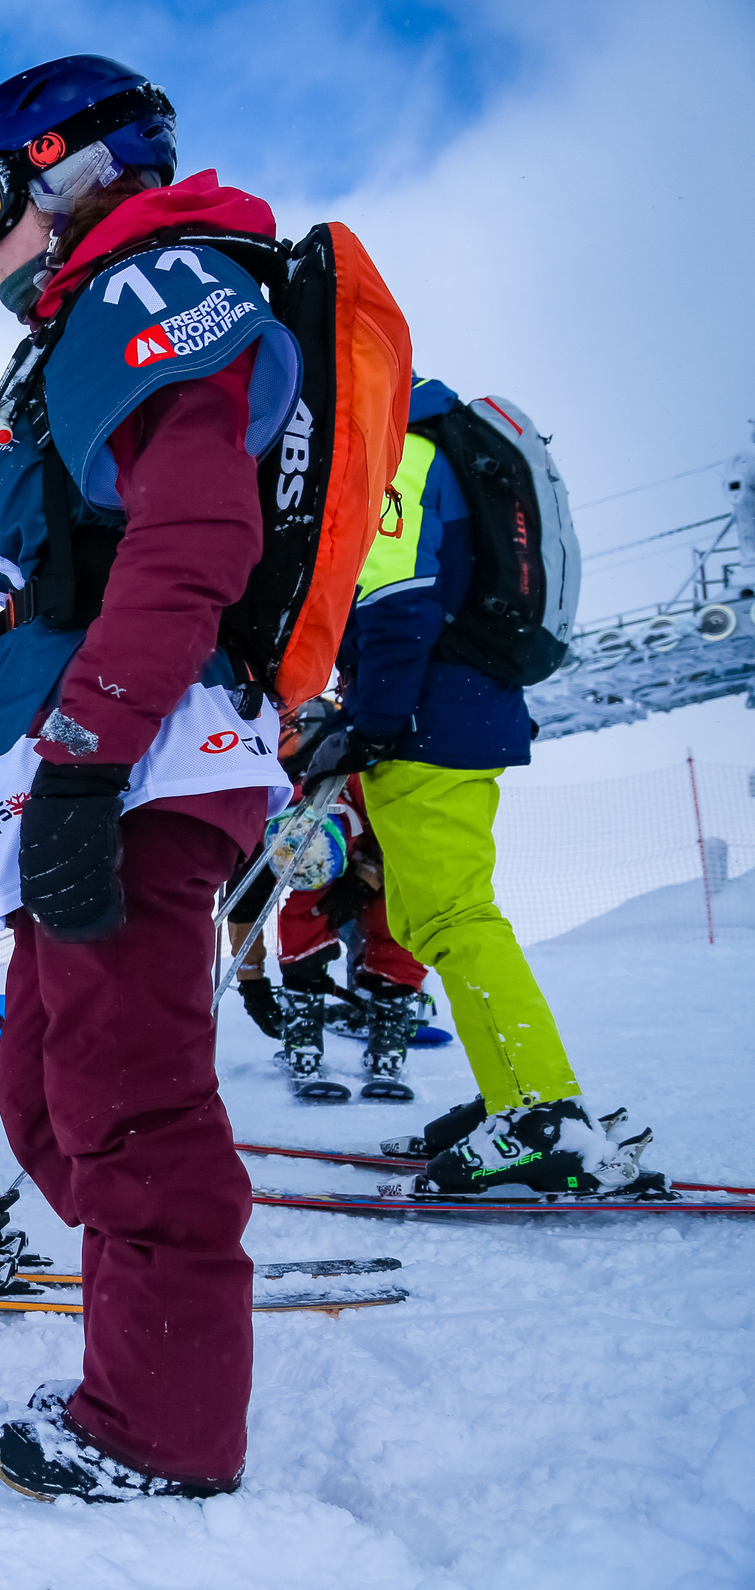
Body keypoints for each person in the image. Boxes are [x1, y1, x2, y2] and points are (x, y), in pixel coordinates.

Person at [0, 55, 301, 1501]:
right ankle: (157, 1281)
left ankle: (164, 1421)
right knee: (49, 1098)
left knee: (130, 1101)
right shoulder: (90, 317)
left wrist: (83, 761)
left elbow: (192, 537)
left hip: (134, 757)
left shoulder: (152, 289)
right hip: (87, 757)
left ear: (73, 169)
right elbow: (71, 553)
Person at [306, 375, 653, 1190]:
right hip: (453, 710)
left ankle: (542, 1112)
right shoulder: (433, 446)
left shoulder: (404, 455)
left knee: (456, 915)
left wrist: (370, 722)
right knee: (435, 915)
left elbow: (399, 601)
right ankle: (515, 1092)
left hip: (429, 718)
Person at [229, 772, 428, 1104]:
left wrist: (366, 879)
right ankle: (302, 1028)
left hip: (382, 846)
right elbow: (243, 912)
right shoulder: (261, 837)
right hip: (309, 838)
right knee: (305, 916)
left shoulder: (377, 791)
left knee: (395, 917)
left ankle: (388, 1024)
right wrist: (253, 984)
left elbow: (413, 850)